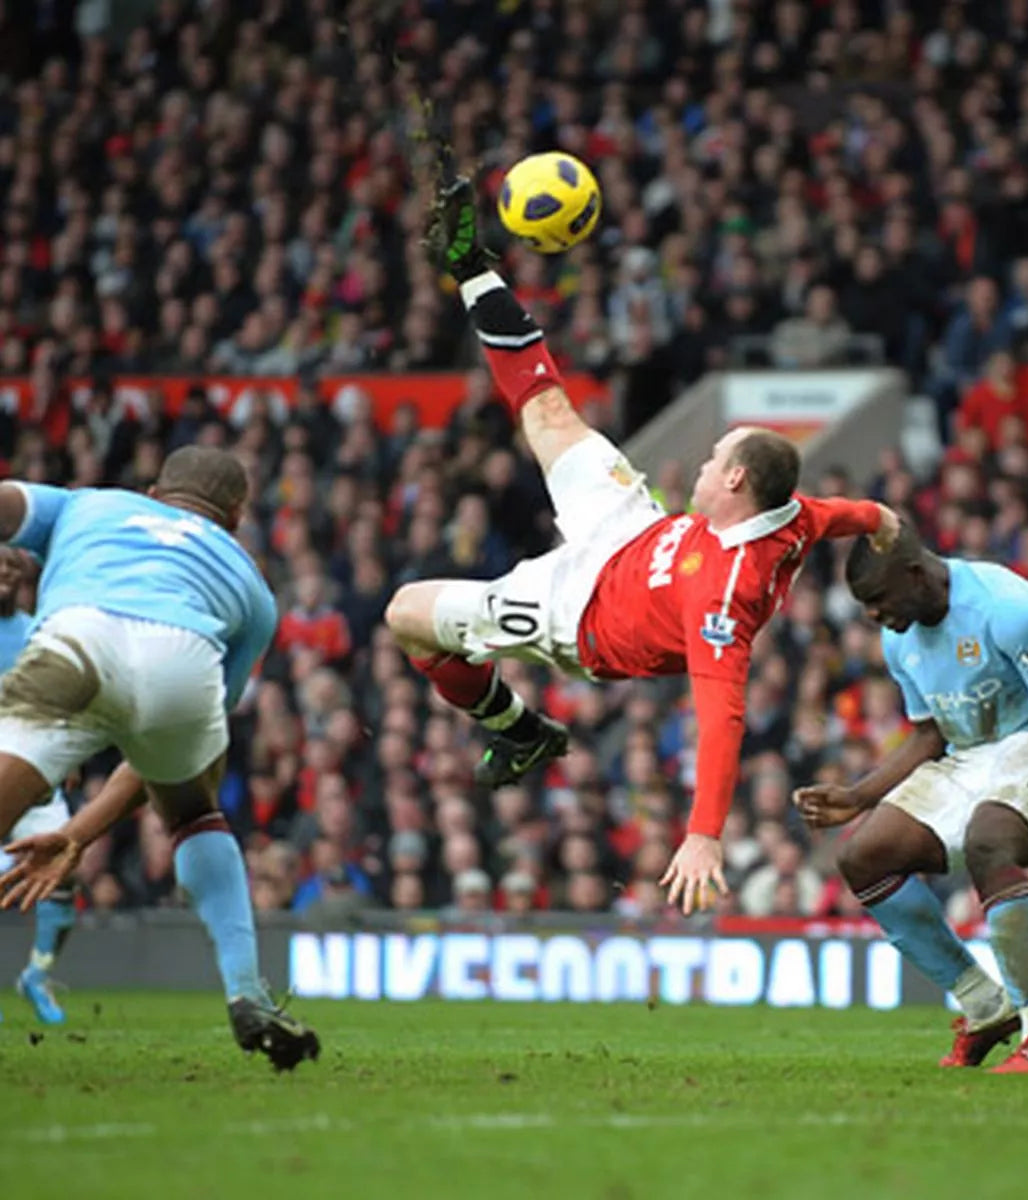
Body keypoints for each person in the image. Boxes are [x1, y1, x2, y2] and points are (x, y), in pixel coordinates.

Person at [385, 178, 900, 915]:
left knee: (407, 613)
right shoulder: (786, 512)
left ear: (735, 479)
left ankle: (516, 729)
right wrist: (885, 522)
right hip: (633, 530)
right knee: (549, 408)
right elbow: (846, 512)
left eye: (712, 455)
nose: (699, 461)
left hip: (581, 615)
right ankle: (475, 267)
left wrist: (704, 835)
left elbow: (722, 713)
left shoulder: (727, 593)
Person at [0, 446, 318, 1070]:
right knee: (196, 812)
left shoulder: (90, 504)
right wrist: (80, 834)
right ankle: (246, 992)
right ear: (235, 515)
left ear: (150, 491)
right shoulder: (254, 590)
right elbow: (158, 756)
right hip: (184, 655)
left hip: (79, 638)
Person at [795, 526, 1028, 1073]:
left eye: (878, 600)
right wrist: (858, 797)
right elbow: (929, 735)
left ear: (916, 575)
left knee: (988, 841)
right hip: (972, 755)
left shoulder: (1003, 604)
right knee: (862, 857)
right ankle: (985, 1005)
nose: (873, 616)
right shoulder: (900, 638)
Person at [0, 548, 75, 1024]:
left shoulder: (37, 632)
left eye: (13, 568)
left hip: (34, 769)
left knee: (64, 868)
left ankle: (37, 974)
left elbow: (60, 699)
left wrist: (68, 750)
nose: (6, 575)